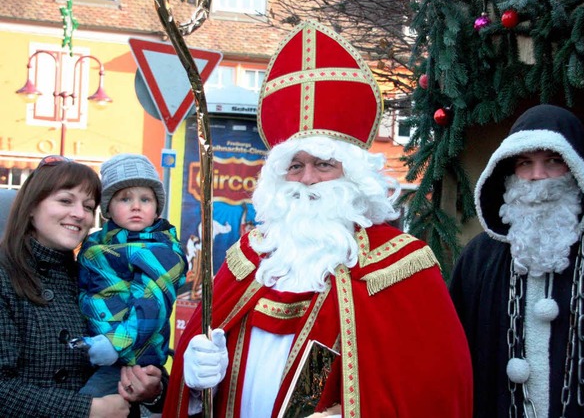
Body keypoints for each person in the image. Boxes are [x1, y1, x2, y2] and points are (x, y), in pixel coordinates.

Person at [163, 20, 473, 418]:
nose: (307, 179)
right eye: (295, 166)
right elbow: (199, 378)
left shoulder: (400, 265)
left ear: (354, 176)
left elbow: (435, 390)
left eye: (324, 164)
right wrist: (193, 383)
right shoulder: (249, 258)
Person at [449, 104, 584, 417]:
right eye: (525, 163)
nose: (538, 176)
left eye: (553, 161)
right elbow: (455, 358)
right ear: (509, 172)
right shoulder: (479, 258)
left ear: (578, 168)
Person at [0, 155, 163, 417]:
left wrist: (152, 390)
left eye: (88, 207)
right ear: (31, 206)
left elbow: (139, 347)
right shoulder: (4, 276)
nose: (79, 214)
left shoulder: (93, 276)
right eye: (65, 200)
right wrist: (87, 410)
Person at [76, 154, 186, 403]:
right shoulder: (95, 243)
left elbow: (153, 304)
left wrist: (114, 344)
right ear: (107, 210)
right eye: (125, 199)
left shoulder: (161, 251)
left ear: (156, 209)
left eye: (145, 199)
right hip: (96, 346)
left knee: (88, 403)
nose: (136, 206)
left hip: (132, 356)